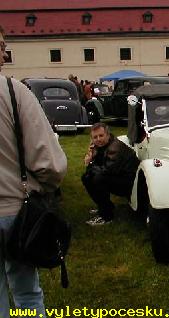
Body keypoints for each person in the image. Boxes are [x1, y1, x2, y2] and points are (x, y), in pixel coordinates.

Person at [0, 25, 67, 318]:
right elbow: (49, 163)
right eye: (1, 45)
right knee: (26, 292)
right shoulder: (14, 92)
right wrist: (46, 186)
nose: (5, 53)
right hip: (14, 209)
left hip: (12, 207)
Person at [82, 123, 140, 226]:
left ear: (108, 135)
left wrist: (90, 163)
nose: (98, 139)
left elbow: (107, 170)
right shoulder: (101, 146)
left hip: (131, 184)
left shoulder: (115, 147)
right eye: (95, 137)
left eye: (101, 135)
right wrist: (92, 156)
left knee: (96, 179)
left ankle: (106, 216)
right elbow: (101, 167)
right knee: (87, 177)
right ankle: (104, 206)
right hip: (118, 176)